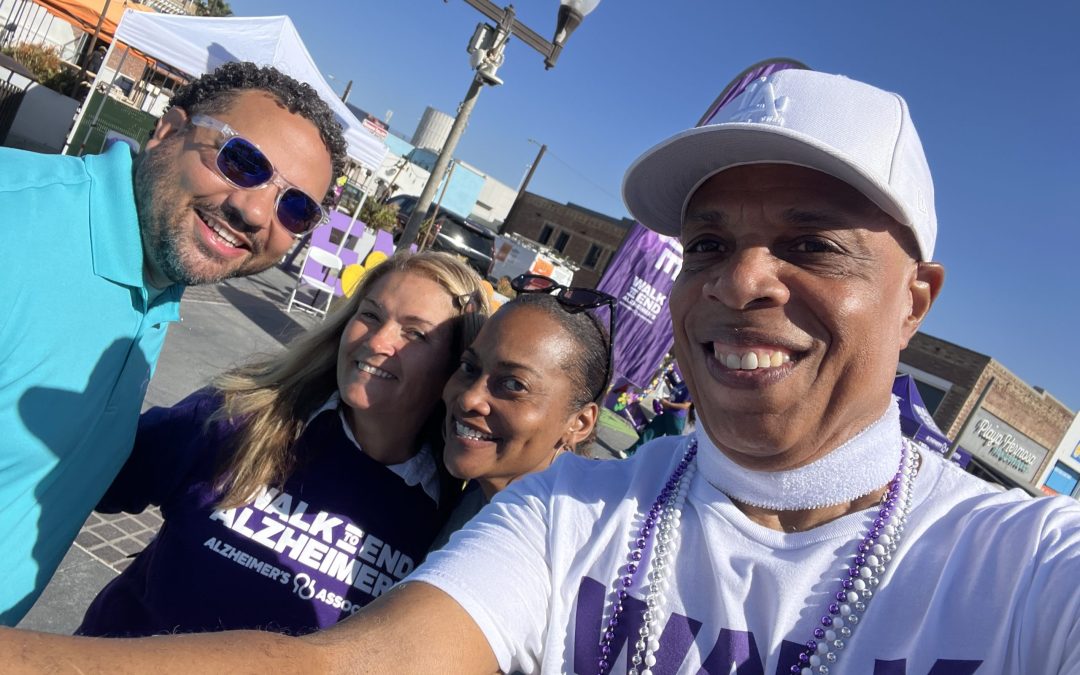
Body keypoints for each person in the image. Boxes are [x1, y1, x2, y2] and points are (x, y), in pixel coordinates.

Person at [3, 66, 1080, 674]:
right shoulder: (571, 517)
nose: (745, 278)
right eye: (708, 243)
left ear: (916, 300)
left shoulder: (1021, 568)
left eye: (812, 243)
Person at [0, 61, 348, 624]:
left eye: (295, 208)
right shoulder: (14, 218)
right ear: (168, 130)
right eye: (242, 161)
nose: (255, 211)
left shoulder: (154, 282)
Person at [76, 251, 489, 637]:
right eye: (370, 314)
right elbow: (83, 476)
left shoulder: (448, 518)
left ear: (456, 369)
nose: (378, 341)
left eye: (414, 334)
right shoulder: (244, 416)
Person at [431, 282, 612, 549]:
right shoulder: (479, 494)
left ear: (579, 423)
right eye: (469, 367)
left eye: (514, 384)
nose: (470, 398)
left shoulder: (555, 552)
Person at [626, 370, 692, 455]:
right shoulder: (683, 382)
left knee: (672, 444)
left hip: (676, 418)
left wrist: (668, 404)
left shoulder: (691, 388)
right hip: (666, 412)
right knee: (650, 432)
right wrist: (668, 387)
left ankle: (667, 462)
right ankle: (631, 452)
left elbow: (686, 406)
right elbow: (676, 395)